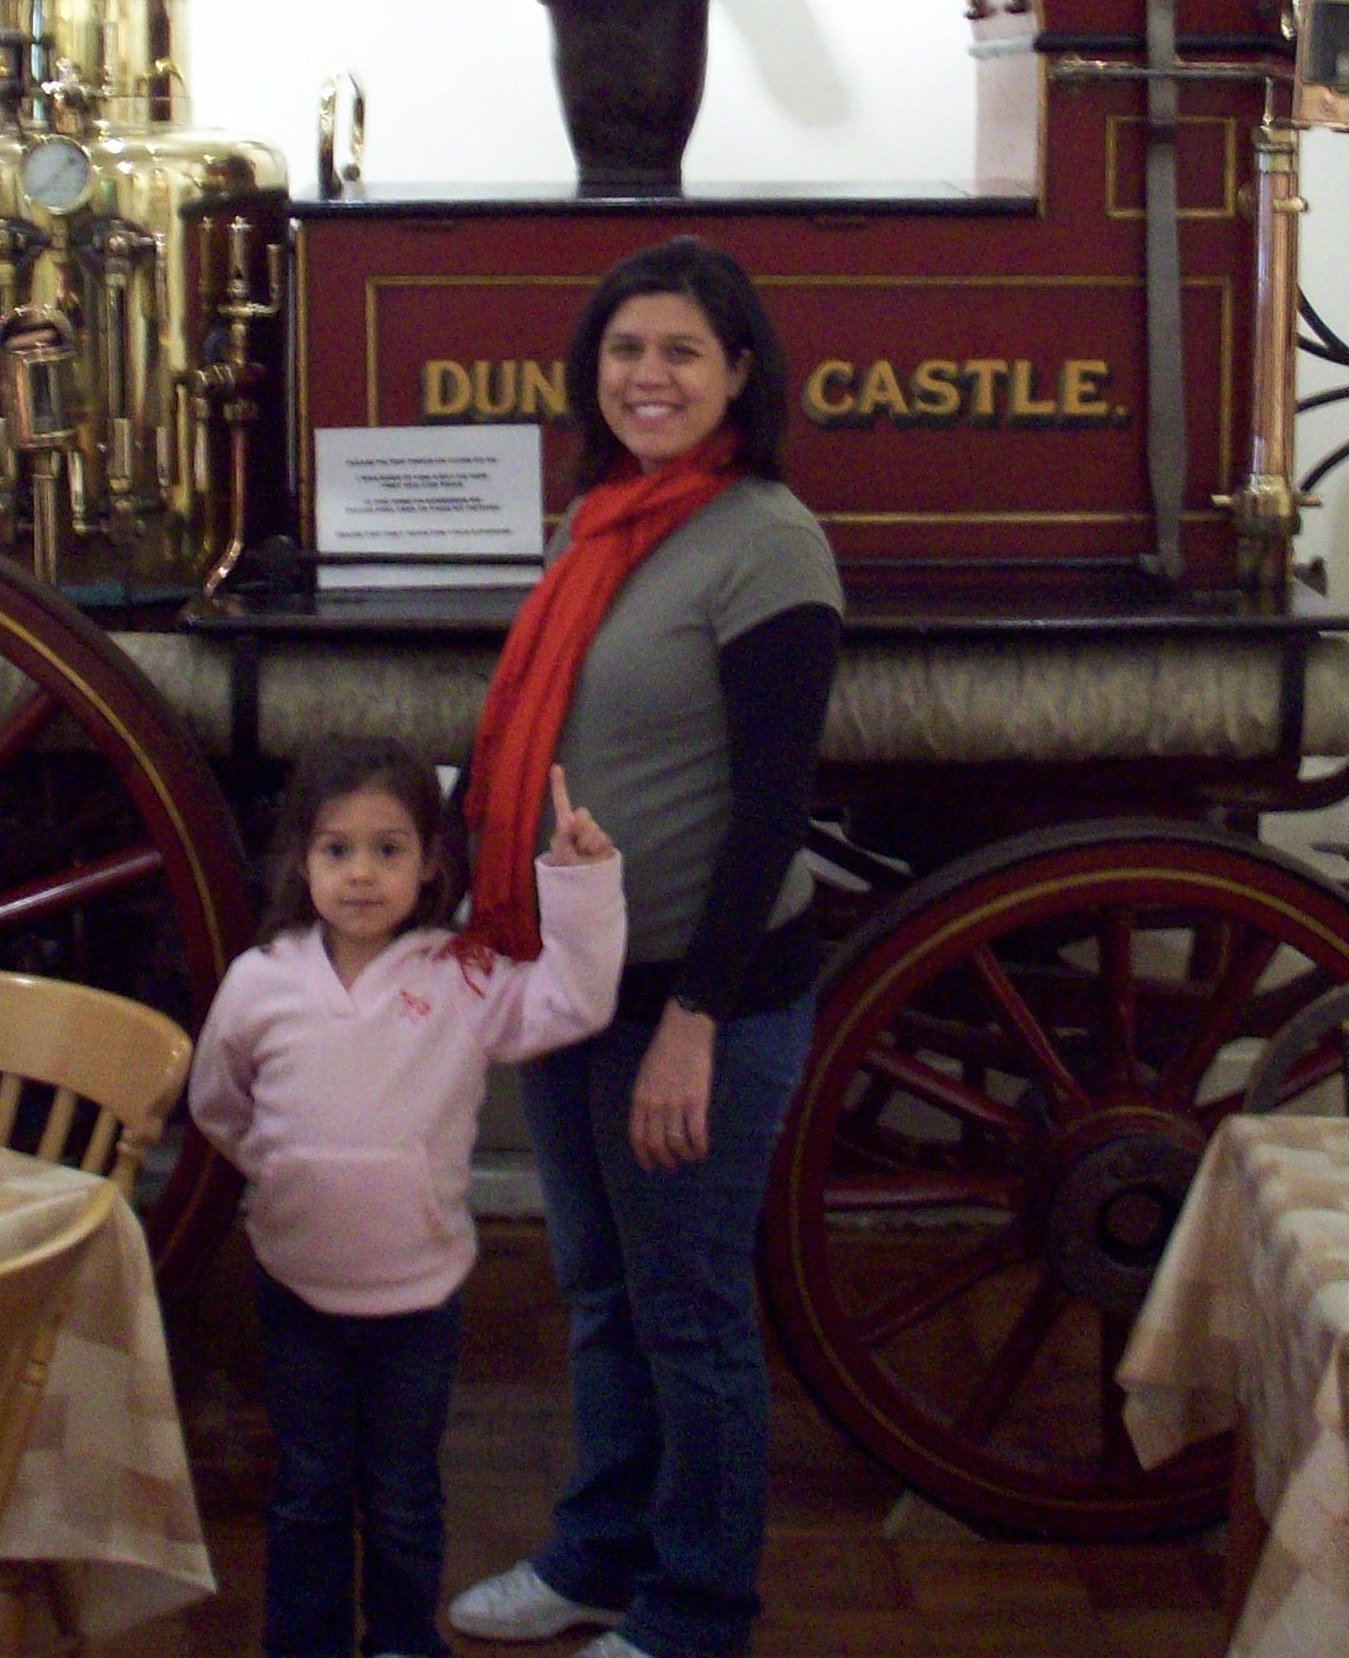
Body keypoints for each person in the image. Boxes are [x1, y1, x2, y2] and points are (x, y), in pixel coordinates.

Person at [447, 238, 844, 1658]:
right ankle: (599, 1557)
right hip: (575, 985)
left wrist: (694, 1026)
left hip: (694, 997)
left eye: (681, 350)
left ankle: (696, 1610)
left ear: (737, 371)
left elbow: (773, 810)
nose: (649, 376)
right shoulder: (600, 520)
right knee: (601, 1293)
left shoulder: (767, 541)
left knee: (688, 1312)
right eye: (626, 350)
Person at [191, 737, 625, 1658]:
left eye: (387, 849)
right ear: (301, 858)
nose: (361, 874)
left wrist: (581, 886)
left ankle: (399, 1642)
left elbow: (573, 1003)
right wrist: (288, 1169)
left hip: (418, 1305)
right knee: (307, 1491)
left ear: (429, 862)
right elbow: (220, 1103)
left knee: (401, 1497)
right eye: (337, 849)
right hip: (296, 1291)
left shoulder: (462, 975)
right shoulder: (260, 982)